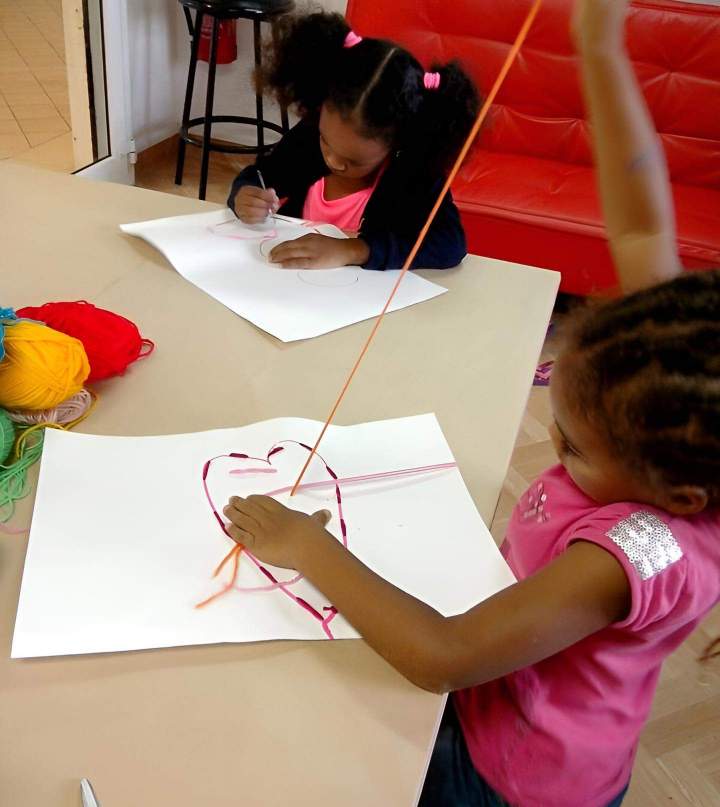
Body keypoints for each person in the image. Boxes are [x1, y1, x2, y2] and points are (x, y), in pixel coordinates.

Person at [221, 1, 720, 804]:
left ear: (678, 496)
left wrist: (308, 548)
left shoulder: (631, 552)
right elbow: (639, 217)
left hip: (507, 774)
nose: (554, 449)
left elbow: (444, 655)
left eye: (577, 449)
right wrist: (599, 42)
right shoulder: (679, 393)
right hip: (501, 680)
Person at [227, 11, 479, 270]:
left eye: (353, 160)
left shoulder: (414, 174)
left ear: (397, 144)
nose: (332, 160)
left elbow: (450, 245)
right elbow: (261, 174)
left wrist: (354, 250)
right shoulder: (309, 136)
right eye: (325, 141)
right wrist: (243, 194)